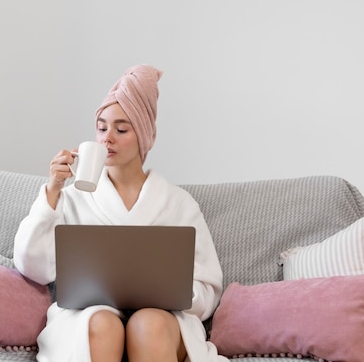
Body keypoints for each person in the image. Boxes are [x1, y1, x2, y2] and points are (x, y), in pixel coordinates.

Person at [13, 65, 225, 362]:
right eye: (101, 128)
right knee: (103, 323)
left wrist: (169, 294)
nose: (107, 138)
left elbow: (208, 289)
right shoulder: (71, 197)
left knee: (149, 323)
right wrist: (53, 191)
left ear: (144, 135)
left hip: (162, 321)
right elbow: (31, 266)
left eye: (121, 129)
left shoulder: (179, 203)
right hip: (88, 318)